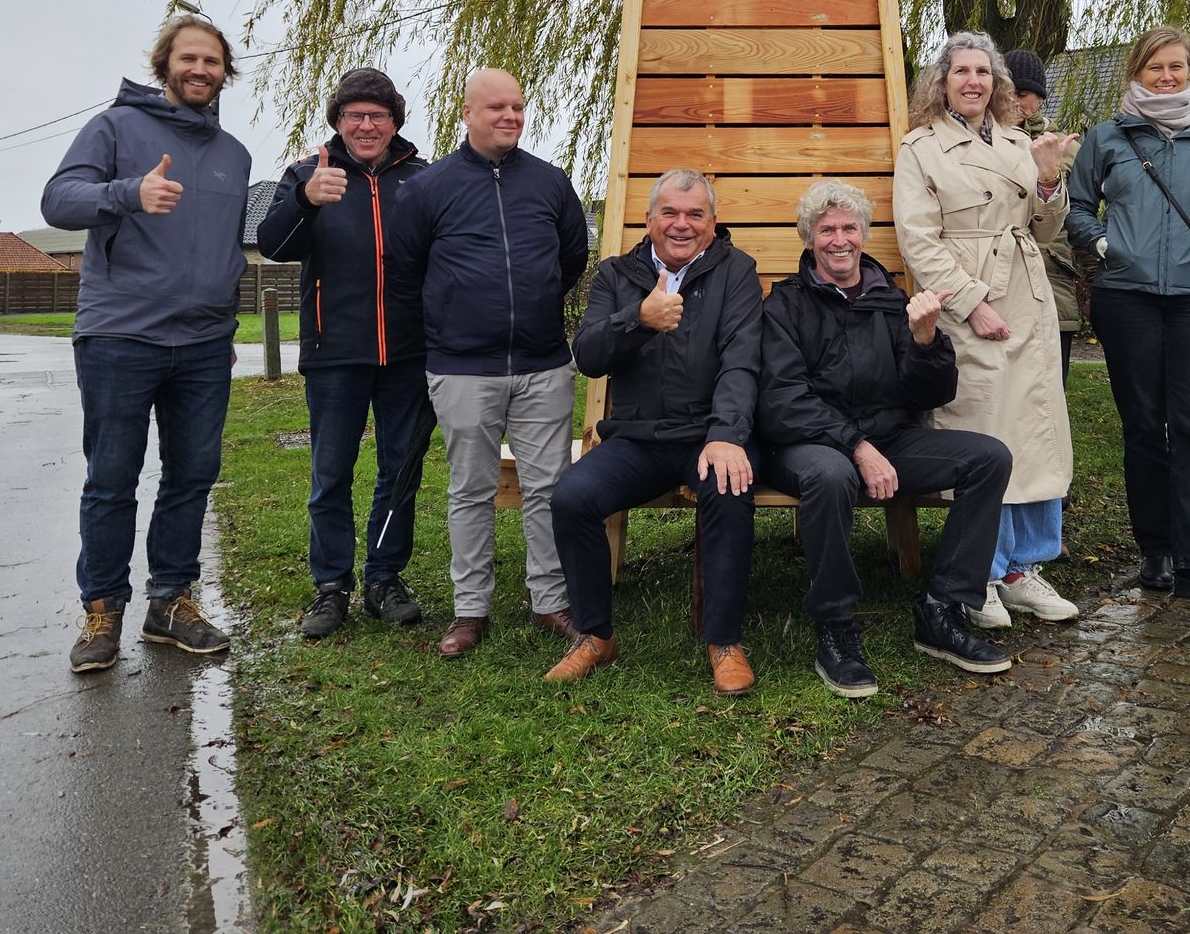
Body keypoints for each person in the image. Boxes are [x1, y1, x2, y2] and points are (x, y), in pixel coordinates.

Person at [43, 15, 251, 673]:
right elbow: (58, 201)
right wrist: (130, 191)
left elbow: (223, 248)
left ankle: (171, 603)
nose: (200, 70)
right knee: (112, 479)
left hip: (204, 345)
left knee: (192, 476)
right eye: (188, 58)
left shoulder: (235, 155)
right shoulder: (114, 128)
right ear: (165, 65)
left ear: (225, 73)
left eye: (212, 61)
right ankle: (102, 611)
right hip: (120, 337)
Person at [761, 179, 1015, 697]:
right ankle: (835, 624)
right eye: (826, 229)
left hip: (889, 440)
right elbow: (783, 399)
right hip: (807, 445)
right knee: (831, 476)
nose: (839, 239)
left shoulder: (891, 300)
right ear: (809, 239)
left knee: (988, 458)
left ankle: (942, 609)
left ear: (863, 234)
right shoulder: (784, 305)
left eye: (849, 227)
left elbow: (933, 393)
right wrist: (857, 446)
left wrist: (925, 341)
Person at [385, 67, 590, 657]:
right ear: (468, 113)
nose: (510, 117)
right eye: (497, 107)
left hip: (543, 366)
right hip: (461, 370)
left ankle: (550, 601)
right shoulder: (429, 188)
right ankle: (469, 610)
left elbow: (571, 258)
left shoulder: (551, 184)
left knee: (547, 488)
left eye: (519, 107)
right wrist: (453, 321)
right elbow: (404, 273)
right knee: (470, 490)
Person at [1066, 26, 1190, 611]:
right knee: (1145, 429)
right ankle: (1155, 550)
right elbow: (1078, 207)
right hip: (1125, 299)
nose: (1167, 77)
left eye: (1177, 67)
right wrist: (1105, 247)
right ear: (1137, 71)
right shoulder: (1109, 137)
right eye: (1156, 67)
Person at [893, 30, 1082, 630]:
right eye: (961, 72)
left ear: (996, 83)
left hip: (1029, 297)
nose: (973, 81)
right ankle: (983, 570)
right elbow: (919, 242)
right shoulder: (920, 149)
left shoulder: (1018, 144)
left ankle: (1025, 569)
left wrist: (1050, 182)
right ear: (941, 82)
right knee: (986, 429)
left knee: (1036, 429)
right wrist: (972, 303)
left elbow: (1046, 231)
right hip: (968, 303)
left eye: (983, 72)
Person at [547, 169, 763, 693]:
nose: (681, 224)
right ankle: (596, 635)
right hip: (638, 438)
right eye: (670, 212)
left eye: (695, 214)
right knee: (572, 497)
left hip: (706, 435)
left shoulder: (736, 271)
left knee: (730, 488)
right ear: (649, 219)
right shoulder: (616, 274)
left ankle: (724, 641)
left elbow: (742, 361)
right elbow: (589, 357)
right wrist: (637, 319)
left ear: (712, 223)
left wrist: (727, 435)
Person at [257, 69, 432, 639]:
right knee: (330, 474)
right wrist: (306, 201)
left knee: (399, 472)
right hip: (335, 354)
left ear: (394, 123)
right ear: (337, 122)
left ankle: (384, 579)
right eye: (354, 115)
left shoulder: (422, 179)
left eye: (377, 115)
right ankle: (330, 586)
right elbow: (273, 245)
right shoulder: (310, 174)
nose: (365, 125)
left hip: (408, 354)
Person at [1005, 49, 1087, 377]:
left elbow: (1080, 216)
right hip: (998, 281)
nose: (1013, 101)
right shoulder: (978, 141)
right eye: (1007, 91)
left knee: (1049, 389)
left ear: (1038, 99)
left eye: (1022, 94)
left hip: (1051, 280)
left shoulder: (1065, 149)